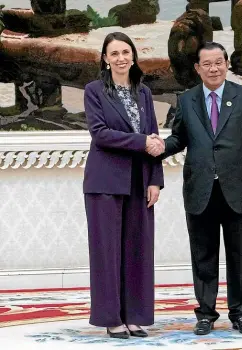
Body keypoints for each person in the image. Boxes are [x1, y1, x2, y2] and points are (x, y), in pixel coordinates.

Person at [149, 42, 242, 335]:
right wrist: (161, 146)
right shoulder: (187, 99)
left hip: (239, 187)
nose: (213, 68)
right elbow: (179, 138)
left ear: (227, 64)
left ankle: (241, 314)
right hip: (200, 187)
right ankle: (205, 313)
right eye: (207, 64)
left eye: (219, 62)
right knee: (203, 255)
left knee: (239, 256)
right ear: (197, 68)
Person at [83, 32, 165, 339]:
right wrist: (142, 141)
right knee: (107, 253)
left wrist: (156, 179)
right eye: (114, 53)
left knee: (138, 250)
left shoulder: (143, 92)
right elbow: (100, 134)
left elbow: (154, 138)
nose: (120, 58)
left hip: (139, 182)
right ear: (105, 58)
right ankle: (111, 318)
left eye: (125, 52)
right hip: (104, 181)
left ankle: (134, 316)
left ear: (133, 55)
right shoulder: (94, 91)